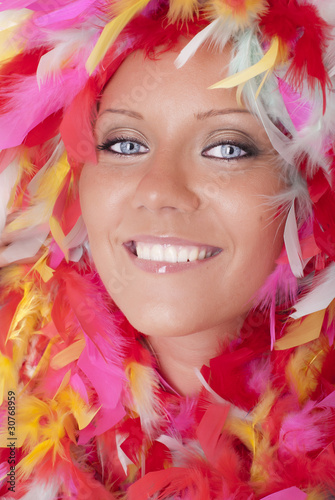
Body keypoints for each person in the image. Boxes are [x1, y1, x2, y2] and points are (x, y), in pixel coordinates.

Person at [0, 1, 334, 498]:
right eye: (125, 144)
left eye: (227, 148)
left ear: (308, 187)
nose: (158, 190)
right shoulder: (15, 364)